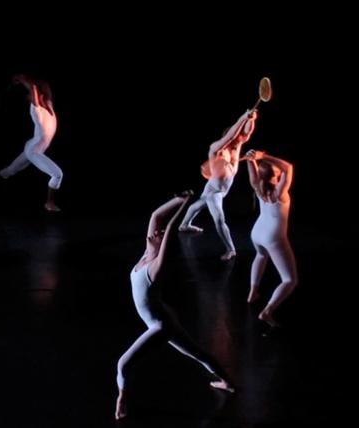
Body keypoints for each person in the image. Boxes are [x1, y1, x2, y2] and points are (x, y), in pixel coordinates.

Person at [115, 190, 235, 420]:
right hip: (164, 316)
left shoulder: (155, 268)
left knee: (122, 364)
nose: (154, 233)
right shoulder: (147, 253)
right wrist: (180, 199)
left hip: (160, 326)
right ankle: (227, 382)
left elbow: (169, 227)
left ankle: (122, 399)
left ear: (162, 245)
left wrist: (184, 206)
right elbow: (156, 216)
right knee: (198, 353)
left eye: (158, 235)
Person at [178, 109, 258, 260]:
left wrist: (251, 119)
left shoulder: (236, 146)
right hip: (215, 191)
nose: (238, 139)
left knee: (198, 205)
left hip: (214, 185)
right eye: (235, 137)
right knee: (219, 220)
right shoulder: (215, 148)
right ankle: (231, 249)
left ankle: (184, 225)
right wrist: (243, 117)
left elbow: (247, 133)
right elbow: (231, 135)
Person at [0, 74, 63, 211]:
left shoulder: (49, 106)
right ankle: (49, 203)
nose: (37, 94)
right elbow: (34, 87)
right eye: (31, 97)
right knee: (57, 174)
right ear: (32, 101)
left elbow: (45, 84)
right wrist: (22, 78)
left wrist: (23, 77)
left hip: (32, 146)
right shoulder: (37, 112)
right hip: (34, 151)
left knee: (10, 170)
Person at [244, 150, 297, 327]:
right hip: (272, 237)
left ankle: (252, 292)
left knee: (260, 256)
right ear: (274, 176)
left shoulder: (257, 186)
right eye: (277, 171)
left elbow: (254, 172)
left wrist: (251, 159)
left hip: (257, 232)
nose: (280, 171)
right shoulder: (279, 193)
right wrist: (263, 156)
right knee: (289, 280)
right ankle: (267, 311)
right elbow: (288, 167)